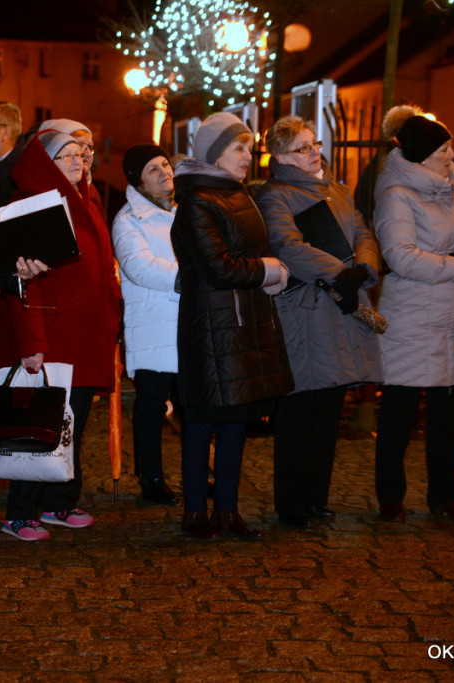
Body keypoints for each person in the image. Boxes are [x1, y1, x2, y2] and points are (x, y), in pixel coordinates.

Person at [254, 115, 383, 529]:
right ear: (280, 156)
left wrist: (363, 270)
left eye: (315, 144)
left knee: (329, 406)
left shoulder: (338, 189)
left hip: (341, 307)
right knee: (299, 409)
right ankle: (292, 503)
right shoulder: (275, 195)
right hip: (306, 311)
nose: (314, 153)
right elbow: (287, 246)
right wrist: (339, 273)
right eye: (303, 148)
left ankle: (317, 497)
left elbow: (364, 234)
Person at [169, 112, 293, 541]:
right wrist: (270, 269)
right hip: (211, 327)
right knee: (202, 424)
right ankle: (194, 513)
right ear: (213, 153)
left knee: (236, 423)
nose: (248, 156)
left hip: (243, 323)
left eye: (248, 148)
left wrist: (268, 276)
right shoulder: (197, 201)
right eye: (238, 148)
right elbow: (218, 266)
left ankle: (227, 511)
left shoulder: (239, 195)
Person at [0, 129, 122, 540]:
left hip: (85, 334)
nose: (78, 160)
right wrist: (32, 344)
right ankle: (20, 512)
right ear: (45, 161)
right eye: (66, 155)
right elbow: (21, 283)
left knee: (72, 425)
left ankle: (58, 502)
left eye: (82, 153)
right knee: (40, 426)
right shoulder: (30, 206)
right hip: (51, 335)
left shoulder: (87, 201)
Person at [373, 115, 454, 525]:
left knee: (449, 416)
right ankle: (390, 496)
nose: (451, 155)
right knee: (399, 413)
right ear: (423, 155)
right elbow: (401, 257)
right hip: (411, 317)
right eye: (443, 149)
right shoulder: (396, 194)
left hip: (453, 317)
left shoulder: (452, 190)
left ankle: (445, 495)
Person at [111, 144, 180, 506]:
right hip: (154, 325)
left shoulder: (183, 211)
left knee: (192, 405)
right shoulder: (128, 220)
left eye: (165, 164)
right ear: (138, 180)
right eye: (153, 169)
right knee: (152, 405)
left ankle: (199, 472)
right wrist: (190, 277)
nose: (163, 172)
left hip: (187, 323)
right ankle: (150, 476)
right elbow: (138, 266)